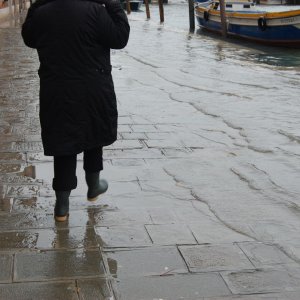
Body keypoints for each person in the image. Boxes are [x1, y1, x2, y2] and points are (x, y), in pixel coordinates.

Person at [21, 0, 130, 222]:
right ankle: (93, 186)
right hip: (93, 89)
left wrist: (37, 5)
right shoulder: (96, 11)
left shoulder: (43, 13)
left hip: (56, 91)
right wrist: (113, 3)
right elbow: (120, 37)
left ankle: (62, 206)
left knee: (63, 144)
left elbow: (29, 37)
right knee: (93, 134)